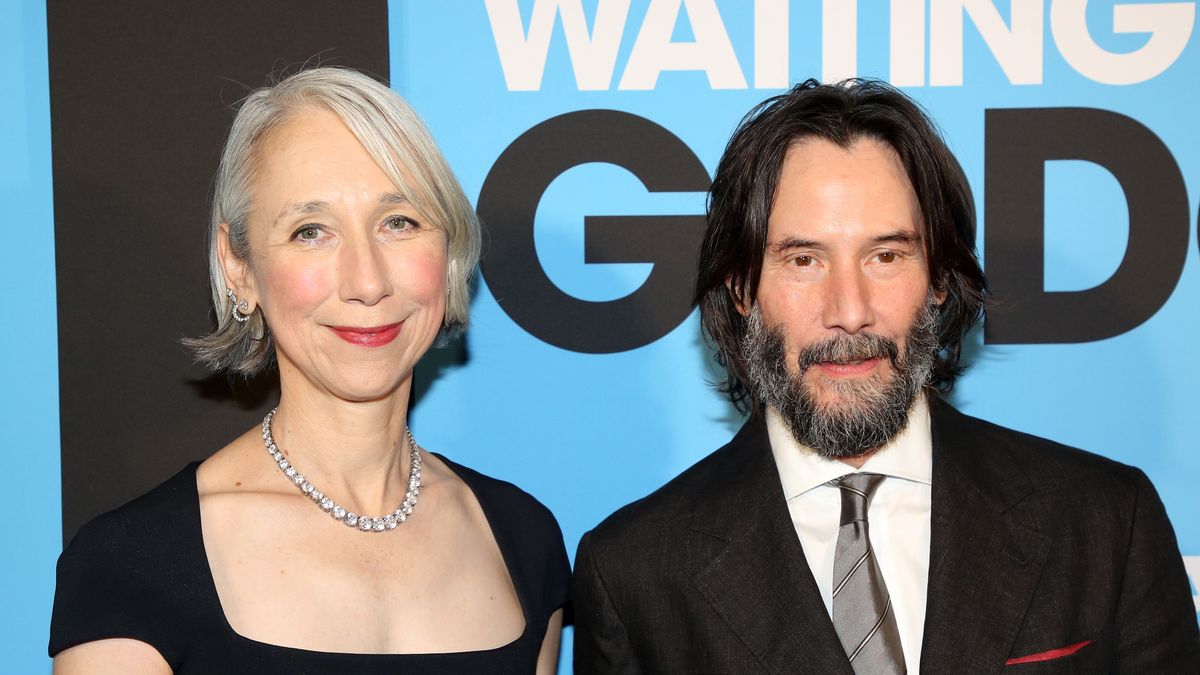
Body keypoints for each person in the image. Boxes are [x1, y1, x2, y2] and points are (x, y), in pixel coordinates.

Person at [572, 79, 1200, 673]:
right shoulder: (636, 570)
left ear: (937, 281)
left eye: (886, 255)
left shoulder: (1104, 522)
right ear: (740, 288)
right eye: (803, 258)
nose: (850, 312)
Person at [49, 67, 568, 673]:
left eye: (398, 222)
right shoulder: (132, 562)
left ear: (447, 249)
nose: (367, 282)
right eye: (311, 232)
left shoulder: (524, 541)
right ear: (238, 267)